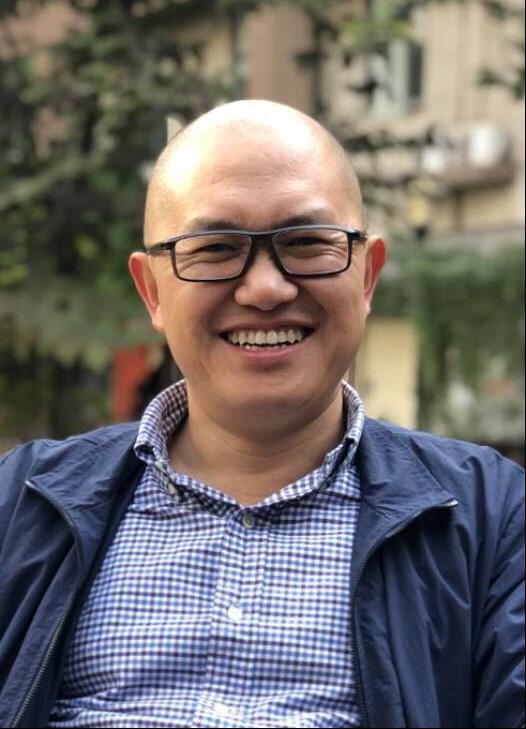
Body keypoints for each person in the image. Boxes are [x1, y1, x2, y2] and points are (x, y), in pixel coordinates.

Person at [0, 100, 523, 729]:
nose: (266, 289)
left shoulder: (492, 522)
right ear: (152, 291)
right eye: (215, 248)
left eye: (306, 243)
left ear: (367, 276)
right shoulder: (22, 507)